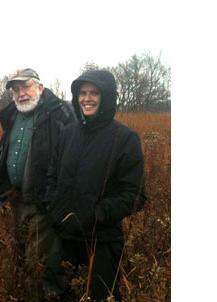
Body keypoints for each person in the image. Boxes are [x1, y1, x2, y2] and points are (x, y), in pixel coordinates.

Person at [41, 70, 147, 301]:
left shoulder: (125, 138)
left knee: (99, 296)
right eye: (82, 93)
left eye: (94, 93)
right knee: (55, 293)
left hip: (102, 241)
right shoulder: (67, 133)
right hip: (64, 236)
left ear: (107, 97)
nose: (87, 98)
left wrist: (97, 213)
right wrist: (53, 205)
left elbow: (135, 194)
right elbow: (52, 175)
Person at [0, 68, 75, 299]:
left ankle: (37, 295)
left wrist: (58, 198)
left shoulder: (60, 113)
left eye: (25, 86)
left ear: (40, 88)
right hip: (15, 200)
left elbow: (72, 156)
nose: (21, 93)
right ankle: (23, 292)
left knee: (38, 260)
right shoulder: (14, 115)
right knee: (20, 255)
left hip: (43, 204)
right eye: (16, 90)